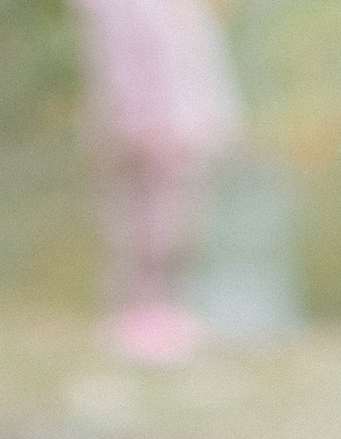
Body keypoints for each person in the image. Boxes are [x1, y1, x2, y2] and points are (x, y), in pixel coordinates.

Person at [69, 0, 244, 368]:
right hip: (147, 129)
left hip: (181, 127)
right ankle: (140, 317)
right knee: (142, 228)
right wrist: (137, 123)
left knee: (175, 225)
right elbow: (120, 64)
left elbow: (197, 58)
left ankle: (161, 313)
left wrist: (214, 117)